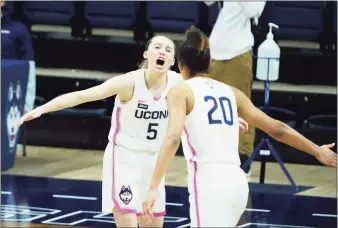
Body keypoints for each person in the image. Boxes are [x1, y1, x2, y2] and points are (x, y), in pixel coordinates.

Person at [141, 26, 337, 227]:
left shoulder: (181, 90)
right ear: (209, 63)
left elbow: (173, 137)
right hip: (238, 183)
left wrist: (153, 187)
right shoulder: (231, 92)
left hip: (210, 183)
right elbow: (277, 129)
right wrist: (316, 150)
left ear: (181, 66)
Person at [18, 35, 181, 228]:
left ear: (173, 61)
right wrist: (41, 109)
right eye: (157, 47)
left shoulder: (178, 85)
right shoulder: (129, 83)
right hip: (124, 158)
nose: (162, 51)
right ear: (147, 54)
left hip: (154, 160)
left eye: (168, 50)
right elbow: (82, 96)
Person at [205, 1, 266, 175]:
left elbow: (253, 11)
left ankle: (243, 158)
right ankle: (211, 155)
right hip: (214, 52)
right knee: (209, 106)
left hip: (238, 53)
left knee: (241, 107)